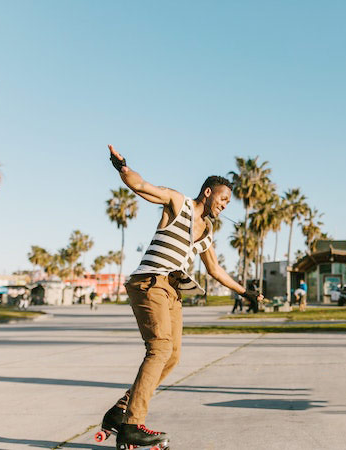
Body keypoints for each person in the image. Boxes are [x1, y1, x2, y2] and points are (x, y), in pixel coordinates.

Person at [98, 145, 263, 450]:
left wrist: (245, 292)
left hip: (174, 292)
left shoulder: (206, 232)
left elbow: (214, 270)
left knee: (172, 356)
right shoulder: (179, 203)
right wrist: (122, 166)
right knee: (159, 348)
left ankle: (121, 410)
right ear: (208, 192)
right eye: (224, 199)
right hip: (151, 282)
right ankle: (132, 425)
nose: (226, 205)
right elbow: (141, 186)